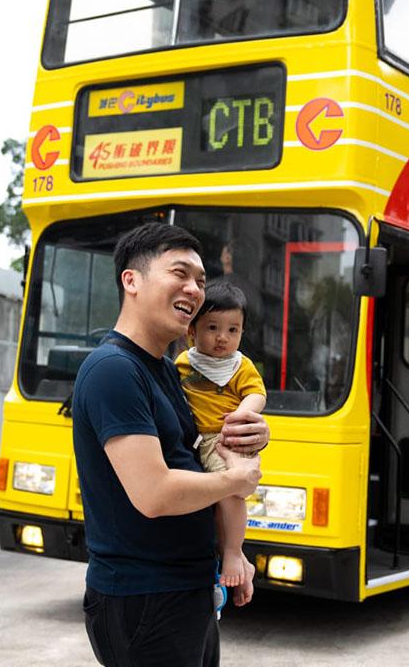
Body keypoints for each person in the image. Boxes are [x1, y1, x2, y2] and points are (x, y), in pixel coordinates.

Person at [71, 222, 268, 667]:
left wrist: (252, 430)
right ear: (132, 281)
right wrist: (237, 479)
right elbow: (155, 493)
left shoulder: (164, 369)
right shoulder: (114, 370)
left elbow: (199, 449)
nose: (194, 289)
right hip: (144, 597)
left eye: (200, 280)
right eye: (179, 273)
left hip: (185, 589)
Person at [176, 281, 267, 589]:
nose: (221, 338)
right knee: (214, 501)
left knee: (230, 493)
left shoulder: (241, 366)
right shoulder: (183, 364)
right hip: (197, 441)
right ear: (192, 331)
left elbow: (257, 394)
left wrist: (243, 415)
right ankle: (231, 554)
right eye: (212, 327)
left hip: (226, 439)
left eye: (232, 330)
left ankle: (233, 552)